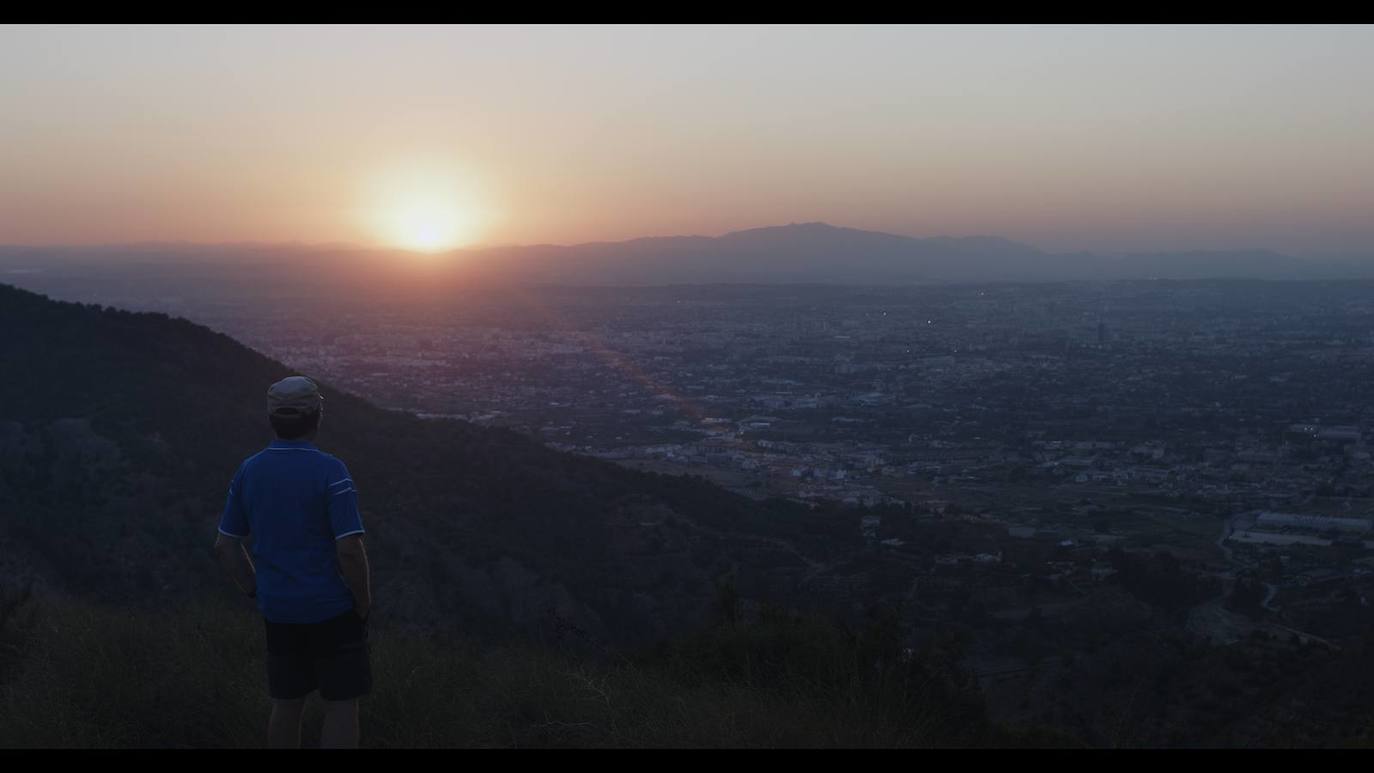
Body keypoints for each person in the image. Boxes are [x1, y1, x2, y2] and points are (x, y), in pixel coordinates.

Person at [213, 375, 372, 749]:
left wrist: (255, 589)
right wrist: (363, 601)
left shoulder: (249, 470)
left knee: (286, 704)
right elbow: (349, 549)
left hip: (279, 610)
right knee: (341, 705)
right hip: (331, 609)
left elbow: (225, 546)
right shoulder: (332, 471)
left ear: (271, 419)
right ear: (317, 416)